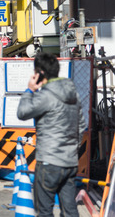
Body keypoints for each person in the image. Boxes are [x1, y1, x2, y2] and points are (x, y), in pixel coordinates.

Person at [17, 52, 85, 217]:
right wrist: (71, 149)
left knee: (45, 211)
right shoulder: (73, 94)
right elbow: (81, 125)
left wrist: (29, 90)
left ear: (39, 73)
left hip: (49, 161)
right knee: (70, 210)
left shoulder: (45, 96)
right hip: (69, 162)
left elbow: (22, 112)